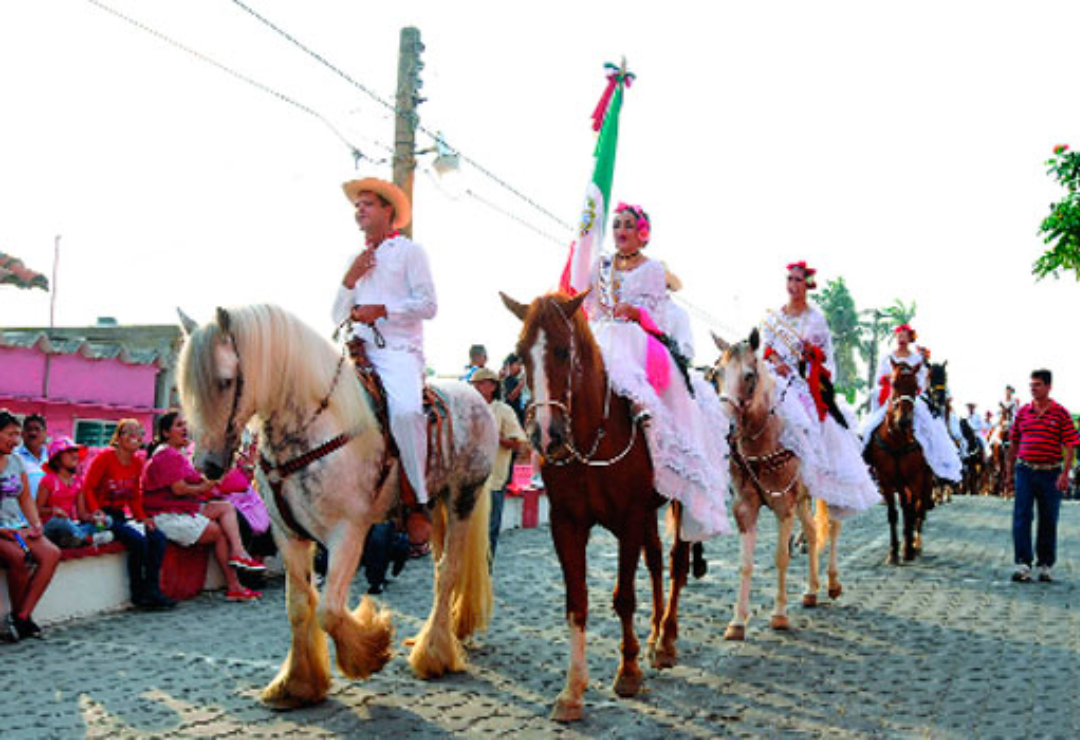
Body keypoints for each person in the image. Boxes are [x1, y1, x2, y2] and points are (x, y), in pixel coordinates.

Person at [583, 203, 730, 540]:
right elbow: (590, 306)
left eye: (629, 225)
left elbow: (659, 320)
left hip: (637, 339)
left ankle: (648, 422)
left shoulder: (651, 270)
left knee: (639, 379)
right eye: (617, 224)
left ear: (642, 233)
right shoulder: (600, 266)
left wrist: (636, 313)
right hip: (601, 334)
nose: (621, 230)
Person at [331, 176, 437, 555]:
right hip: (358, 351)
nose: (359, 210)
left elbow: (429, 305)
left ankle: (418, 502)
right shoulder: (354, 260)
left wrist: (383, 309)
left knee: (407, 412)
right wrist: (350, 280)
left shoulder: (410, 252)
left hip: (398, 351)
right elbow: (335, 315)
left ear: (388, 211)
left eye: (368, 204)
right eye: (357, 205)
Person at [760, 262, 879, 518]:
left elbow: (826, 359)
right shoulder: (773, 318)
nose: (792, 285)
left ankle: (807, 477)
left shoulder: (816, 320)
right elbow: (764, 349)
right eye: (789, 279)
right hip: (773, 377)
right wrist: (776, 362)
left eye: (798, 281)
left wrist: (810, 355)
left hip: (802, 381)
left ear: (807, 285)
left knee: (809, 422)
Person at [142, 412, 263, 601]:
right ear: (166, 433)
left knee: (225, 507)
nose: (185, 429)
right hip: (167, 514)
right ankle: (234, 584)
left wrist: (214, 479)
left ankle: (239, 553)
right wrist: (206, 486)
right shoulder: (167, 454)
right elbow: (180, 489)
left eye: (185, 424)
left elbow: (196, 480)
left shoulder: (177, 454)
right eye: (179, 425)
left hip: (182, 508)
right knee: (219, 532)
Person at [83, 419, 176, 610]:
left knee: (157, 538)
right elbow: (88, 488)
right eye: (129, 431)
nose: (135, 435)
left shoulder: (136, 462)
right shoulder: (105, 458)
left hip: (120, 514)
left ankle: (153, 589)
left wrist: (143, 518)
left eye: (139, 432)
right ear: (118, 437)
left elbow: (134, 496)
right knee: (137, 541)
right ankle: (138, 593)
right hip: (103, 516)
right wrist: (96, 511)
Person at [858, 323, 962, 483]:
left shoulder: (916, 358)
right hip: (892, 394)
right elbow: (880, 377)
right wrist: (891, 379)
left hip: (911, 396)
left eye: (904, 335)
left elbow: (921, 380)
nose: (901, 338)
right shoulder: (887, 357)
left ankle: (935, 463)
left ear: (909, 338)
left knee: (931, 427)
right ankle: (866, 457)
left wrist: (910, 384)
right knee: (871, 424)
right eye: (899, 335)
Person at [1006, 369, 1079, 583]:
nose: (1033, 388)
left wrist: (1065, 474)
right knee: (1022, 517)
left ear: (1048, 387)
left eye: (1037, 384)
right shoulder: (1023, 412)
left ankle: (1045, 565)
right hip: (1025, 471)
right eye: (1031, 385)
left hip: (1050, 473)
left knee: (1048, 518)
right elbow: (1014, 442)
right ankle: (1023, 563)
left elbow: (1070, 444)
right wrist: (1009, 472)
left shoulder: (1060, 413)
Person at [0, 410, 61, 640]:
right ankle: (17, 619)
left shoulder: (15, 460)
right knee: (18, 558)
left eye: (17, 434)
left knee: (51, 553)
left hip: (16, 524)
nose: (15, 440)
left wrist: (35, 522)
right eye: (9, 434)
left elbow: (24, 497)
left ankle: (22, 616)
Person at [469, 368, 528, 565]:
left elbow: (518, 444)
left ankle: (484, 572)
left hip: (493, 479)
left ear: (492, 386)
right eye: (473, 384)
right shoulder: (464, 409)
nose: (475, 387)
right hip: (466, 479)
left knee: (489, 530)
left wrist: (495, 437)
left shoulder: (503, 410)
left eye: (480, 383)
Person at [37, 437, 113, 549]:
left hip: (70, 527)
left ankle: (76, 539)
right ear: (57, 460)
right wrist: (53, 511)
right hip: (50, 527)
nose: (74, 455)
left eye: (75, 451)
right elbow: (36, 510)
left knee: (108, 520)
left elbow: (81, 514)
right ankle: (87, 539)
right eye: (68, 452)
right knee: (60, 522)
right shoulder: (48, 480)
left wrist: (94, 518)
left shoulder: (78, 482)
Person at [14, 413, 48, 500]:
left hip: (47, 512)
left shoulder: (53, 458)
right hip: (17, 512)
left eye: (37, 429)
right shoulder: (13, 456)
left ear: (45, 433)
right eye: (29, 429)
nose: (33, 433)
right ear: (22, 433)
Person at [500, 353, 528, 426]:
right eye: (517, 364)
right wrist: (521, 384)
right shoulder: (508, 380)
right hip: (513, 416)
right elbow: (511, 397)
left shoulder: (515, 379)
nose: (520, 367)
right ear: (510, 365)